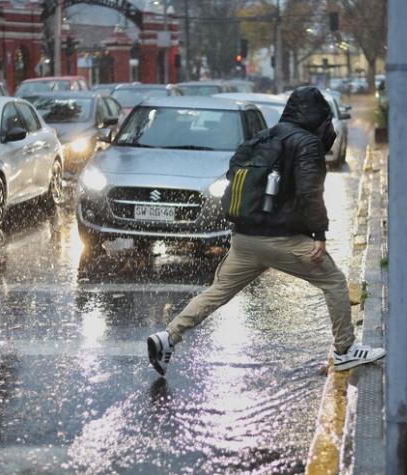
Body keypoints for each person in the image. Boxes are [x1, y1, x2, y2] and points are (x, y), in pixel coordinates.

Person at [146, 86, 386, 376]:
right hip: (281, 241)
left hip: (245, 240)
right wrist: (319, 234)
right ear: (317, 115)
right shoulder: (307, 143)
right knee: (334, 282)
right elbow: (311, 192)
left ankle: (168, 336)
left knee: (218, 291)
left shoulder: (263, 137)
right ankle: (346, 350)